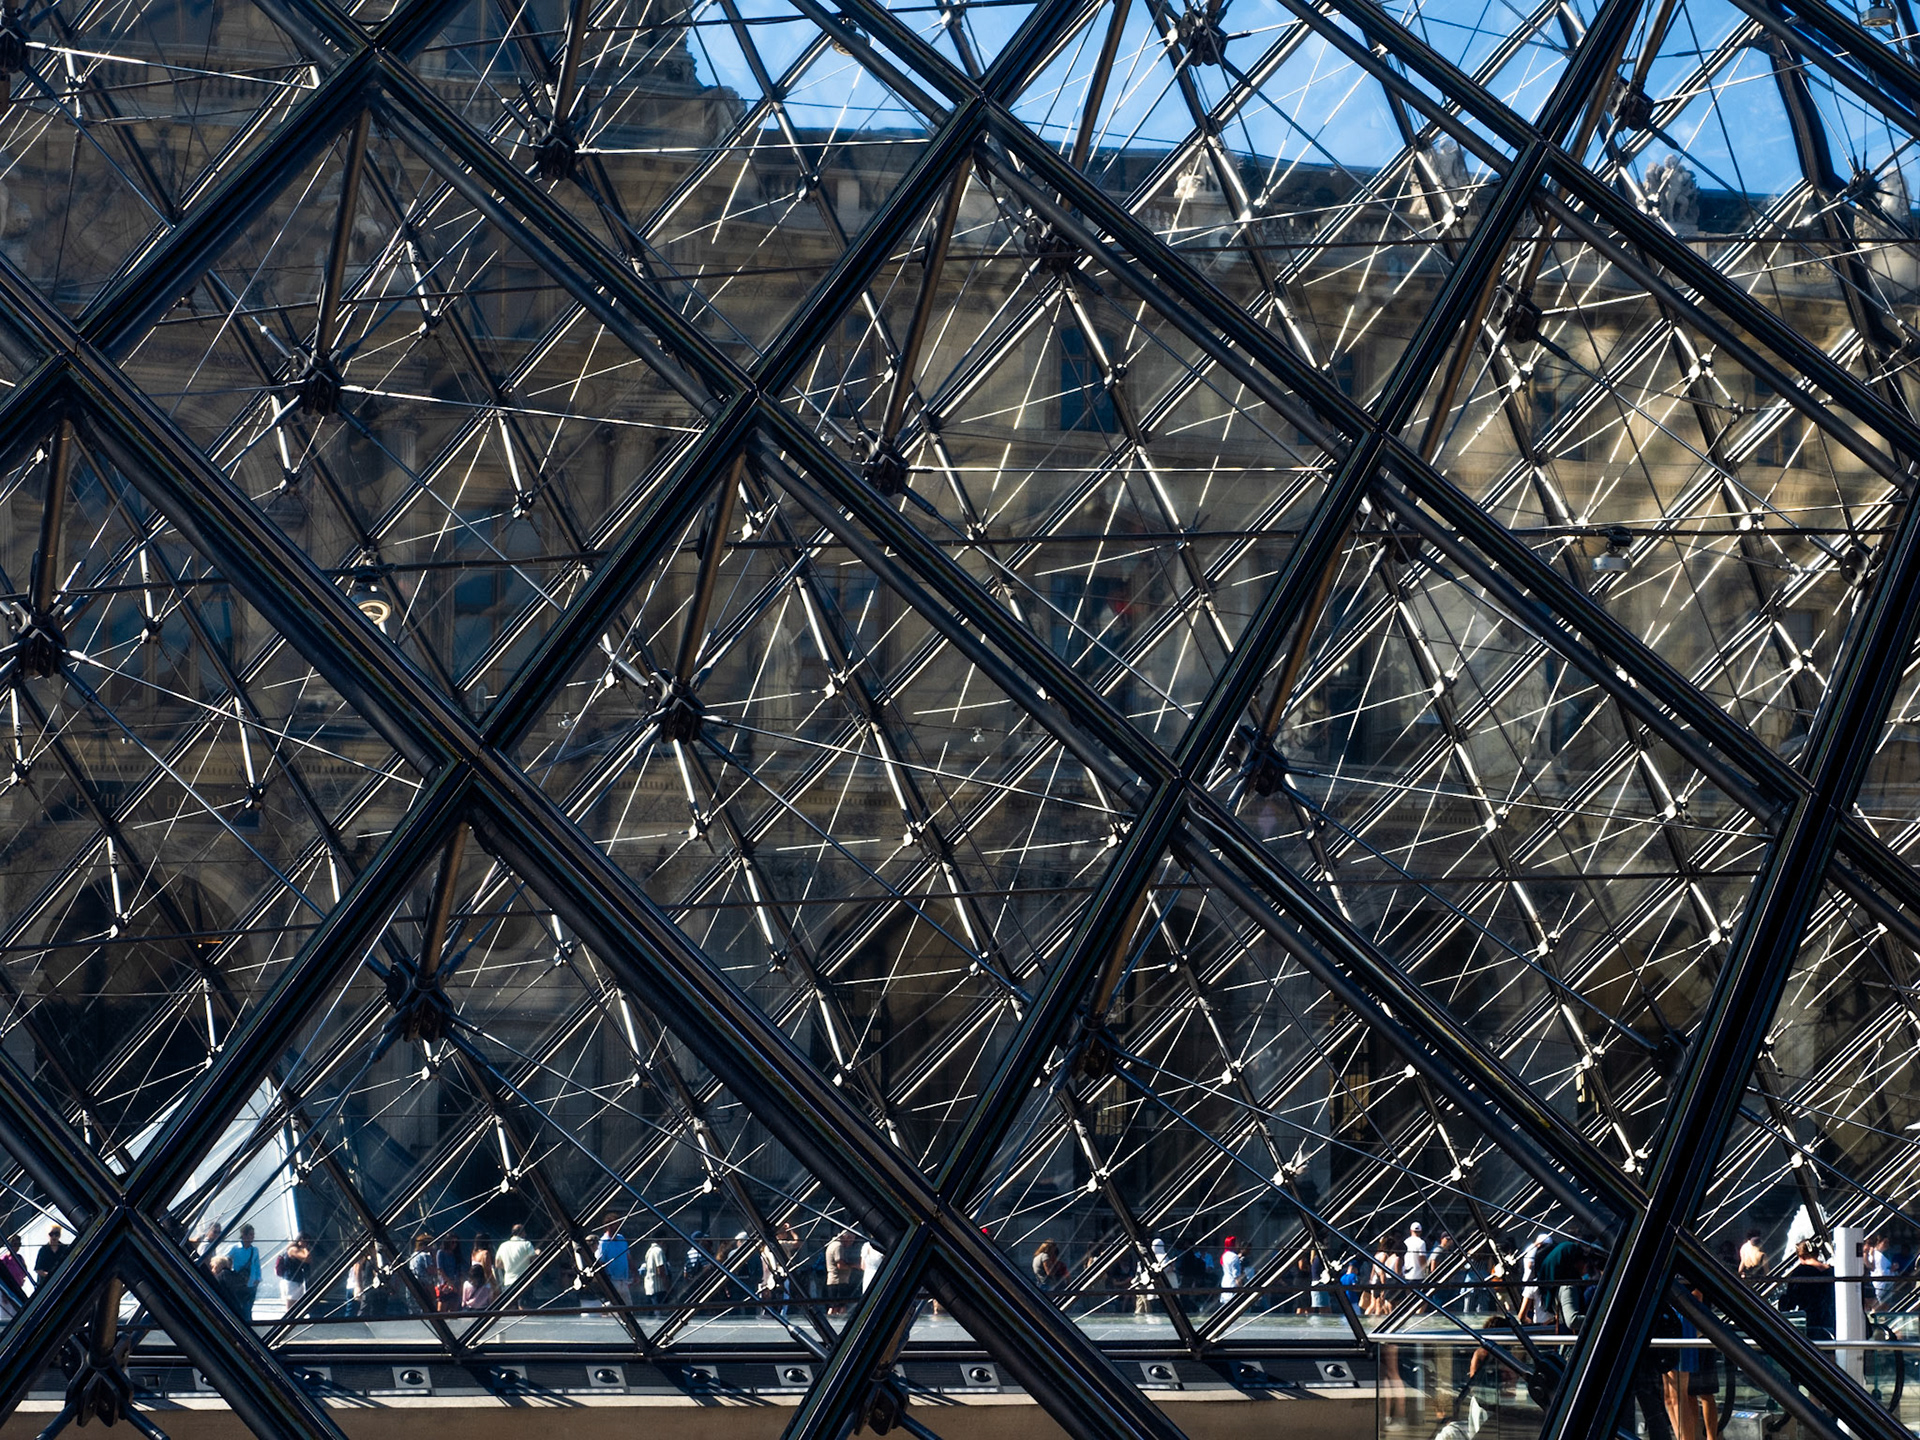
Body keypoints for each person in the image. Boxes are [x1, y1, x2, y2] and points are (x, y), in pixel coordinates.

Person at [1537, 1234, 1595, 1332]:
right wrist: (1600, 1320)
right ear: (1570, 1263)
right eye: (1580, 1259)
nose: (1584, 1263)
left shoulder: (1559, 1286)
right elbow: (1572, 1321)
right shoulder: (1568, 1287)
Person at [1780, 1239, 1835, 1340]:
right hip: (1832, 1320)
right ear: (1818, 1254)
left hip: (1811, 1322)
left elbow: (1791, 1299)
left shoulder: (1800, 1272)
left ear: (1801, 1257)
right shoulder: (1832, 1271)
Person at [227, 1225, 262, 1321]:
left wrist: (258, 1278)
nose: (253, 1237)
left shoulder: (254, 1250)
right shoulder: (235, 1248)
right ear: (244, 1235)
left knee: (248, 1307)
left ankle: (248, 1323)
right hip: (239, 1283)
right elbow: (226, 1260)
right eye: (251, 1234)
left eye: (253, 1235)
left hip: (251, 1282)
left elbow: (257, 1265)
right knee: (240, 1307)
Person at [1518, 1233, 1551, 1323]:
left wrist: (1532, 1325)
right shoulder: (1561, 1283)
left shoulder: (1533, 1285)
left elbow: (1521, 1316)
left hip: (1540, 1327)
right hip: (1557, 1328)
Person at [597, 1216, 631, 1305]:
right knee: (614, 1305)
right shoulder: (603, 1242)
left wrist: (635, 1273)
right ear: (607, 1226)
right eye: (613, 1225)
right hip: (612, 1280)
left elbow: (628, 1257)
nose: (616, 1227)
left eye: (617, 1224)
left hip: (624, 1280)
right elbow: (601, 1262)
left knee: (628, 1306)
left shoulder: (621, 1239)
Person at [495, 1224, 536, 1294]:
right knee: (524, 1304)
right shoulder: (526, 1244)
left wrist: (510, 1266)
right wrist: (537, 1254)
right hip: (524, 1281)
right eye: (524, 1232)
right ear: (522, 1233)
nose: (525, 1234)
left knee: (510, 1304)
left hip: (508, 1282)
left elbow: (497, 1264)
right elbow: (535, 1260)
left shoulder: (503, 1246)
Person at [276, 1234, 312, 1309]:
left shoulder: (298, 1250)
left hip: (297, 1281)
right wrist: (305, 1248)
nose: (307, 1244)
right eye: (305, 1241)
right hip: (291, 1281)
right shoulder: (293, 1249)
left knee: (297, 1306)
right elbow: (306, 1258)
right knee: (291, 1306)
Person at [643, 1235, 672, 1309]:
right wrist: (668, 1287)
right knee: (659, 1314)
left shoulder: (649, 1251)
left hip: (650, 1288)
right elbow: (661, 1270)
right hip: (659, 1290)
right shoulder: (658, 1251)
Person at [1218, 1236, 1243, 1307]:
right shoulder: (1234, 1257)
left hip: (1225, 1282)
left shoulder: (1225, 1255)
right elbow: (1236, 1276)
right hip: (1232, 1284)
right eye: (1237, 1242)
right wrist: (1241, 1288)